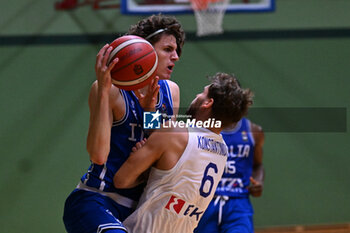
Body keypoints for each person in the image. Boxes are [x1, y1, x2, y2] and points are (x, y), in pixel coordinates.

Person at [63, 14, 185, 233]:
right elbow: (98, 155)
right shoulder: (110, 90)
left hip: (140, 207)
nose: (175, 57)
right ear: (143, 51)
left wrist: (150, 112)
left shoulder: (171, 92)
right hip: (98, 199)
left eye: (176, 51)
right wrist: (102, 90)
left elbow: (161, 155)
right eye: (168, 49)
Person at [114, 72, 254, 233]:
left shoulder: (175, 133)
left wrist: (145, 171)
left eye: (202, 92)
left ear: (208, 103)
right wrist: (150, 110)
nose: (197, 95)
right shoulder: (222, 150)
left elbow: (121, 180)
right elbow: (169, 150)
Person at [194, 117, 265, 233]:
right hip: (205, 201)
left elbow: (258, 165)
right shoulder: (201, 129)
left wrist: (259, 181)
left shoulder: (253, 130)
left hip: (238, 201)